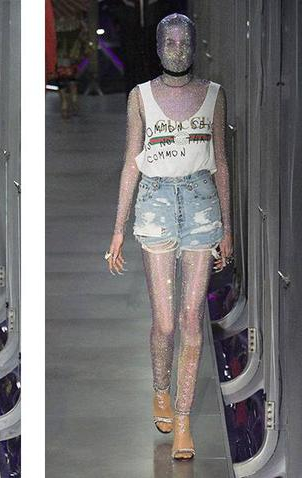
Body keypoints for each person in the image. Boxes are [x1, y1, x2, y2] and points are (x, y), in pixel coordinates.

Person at [105, 14, 233, 460]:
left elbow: (221, 162)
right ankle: (161, 387)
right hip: (155, 204)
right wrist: (118, 229)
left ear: (194, 46)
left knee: (192, 320)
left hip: (201, 205)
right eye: (170, 42)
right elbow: (131, 161)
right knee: (165, 322)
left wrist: (228, 227)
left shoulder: (213, 95)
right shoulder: (139, 97)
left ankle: (183, 420)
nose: (177, 50)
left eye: (184, 42)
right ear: (158, 47)